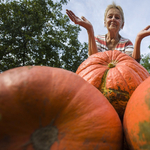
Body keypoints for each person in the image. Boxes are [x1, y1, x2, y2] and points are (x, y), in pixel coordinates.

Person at [66, 2, 150, 63]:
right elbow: (94, 61)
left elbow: (132, 65)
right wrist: (89, 30)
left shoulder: (126, 43)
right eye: (110, 16)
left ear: (122, 25)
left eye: (117, 17)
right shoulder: (98, 39)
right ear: (105, 23)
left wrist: (139, 39)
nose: (113, 19)